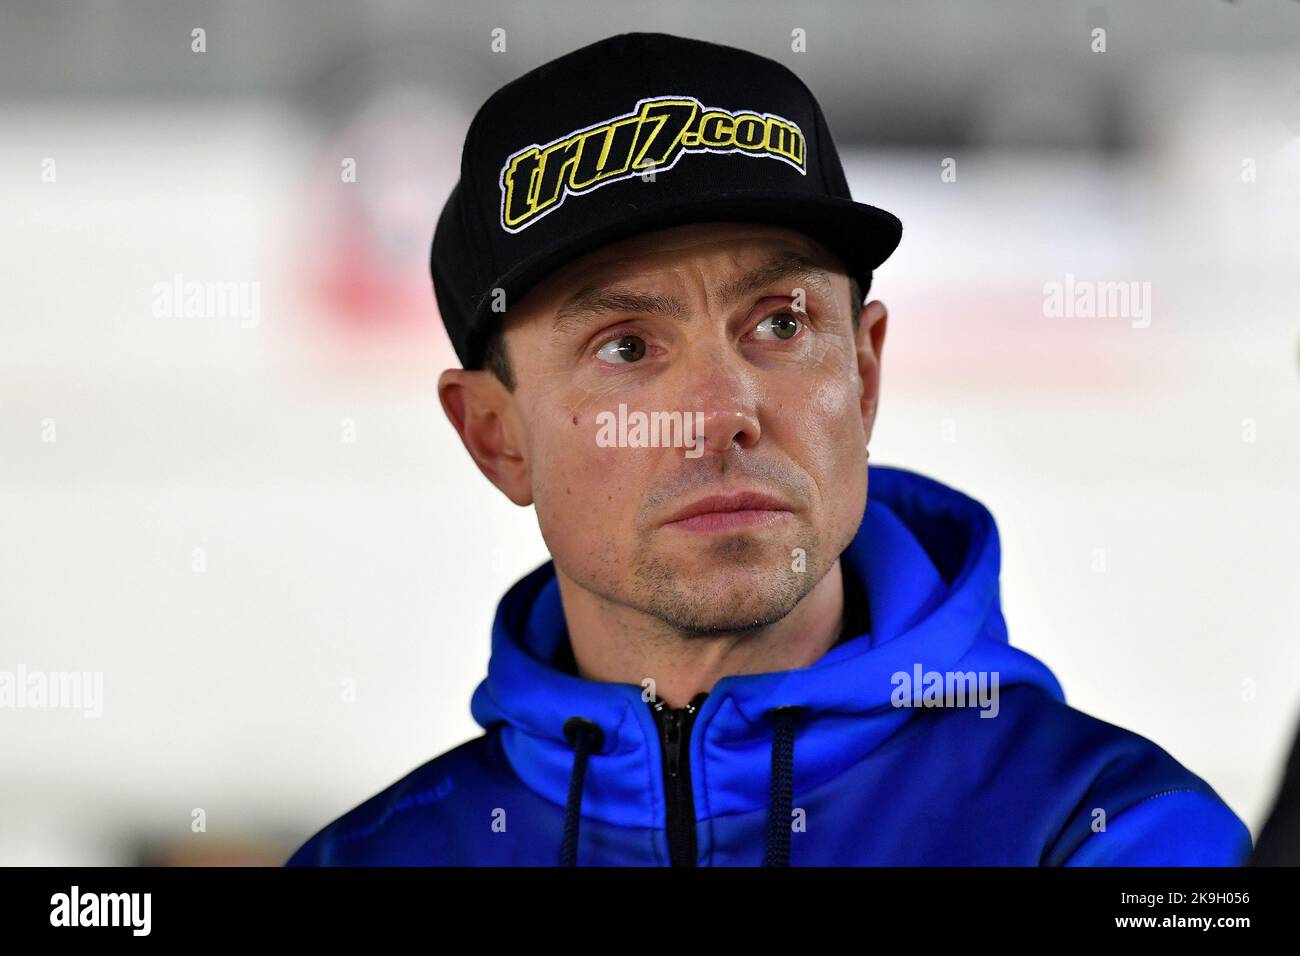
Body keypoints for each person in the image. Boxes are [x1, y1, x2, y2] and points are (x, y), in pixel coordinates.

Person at [286, 31, 1251, 866]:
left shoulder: (1115, 838)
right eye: (627, 346)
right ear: (495, 439)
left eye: (781, 325)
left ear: (864, 375)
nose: (724, 411)